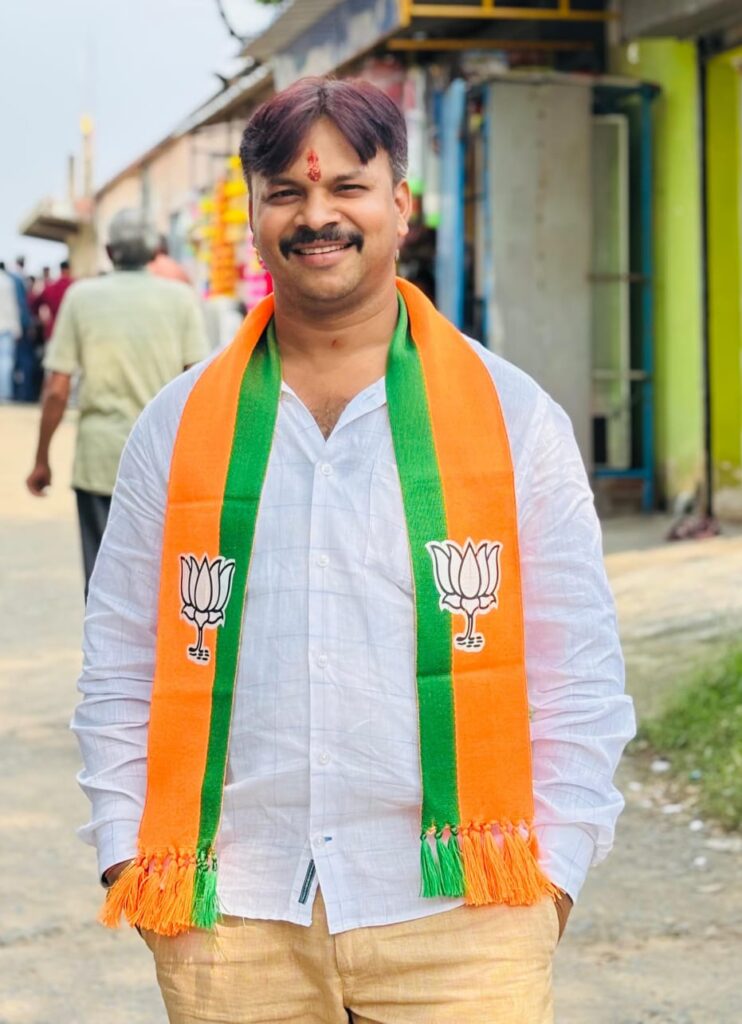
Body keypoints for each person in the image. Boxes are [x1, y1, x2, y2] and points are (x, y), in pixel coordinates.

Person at [72, 79, 635, 1024]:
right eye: (286, 192)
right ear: (255, 215)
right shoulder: (175, 428)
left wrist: (554, 883)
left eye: (347, 187)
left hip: (466, 916)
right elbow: (122, 665)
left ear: (400, 206)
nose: (316, 215)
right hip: (233, 914)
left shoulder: (514, 418)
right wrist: (128, 857)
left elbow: (579, 670)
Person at [26, 210, 208, 594]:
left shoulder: (82, 297)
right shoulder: (181, 299)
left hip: (99, 461)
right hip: (164, 461)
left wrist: (42, 459)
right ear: (155, 251)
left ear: (109, 252)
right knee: (159, 583)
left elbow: (57, 389)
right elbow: (200, 386)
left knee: (102, 581)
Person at [31, 259, 75, 341]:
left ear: (60, 269)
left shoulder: (50, 287)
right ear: (69, 269)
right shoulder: (75, 286)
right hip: (73, 330)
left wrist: (40, 318)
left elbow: (34, 303)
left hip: (55, 329)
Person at [0, 263, 22, 400]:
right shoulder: (8, 282)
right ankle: (4, 393)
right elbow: (13, 306)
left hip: (5, 326)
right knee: (6, 362)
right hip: (6, 327)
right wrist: (17, 328)